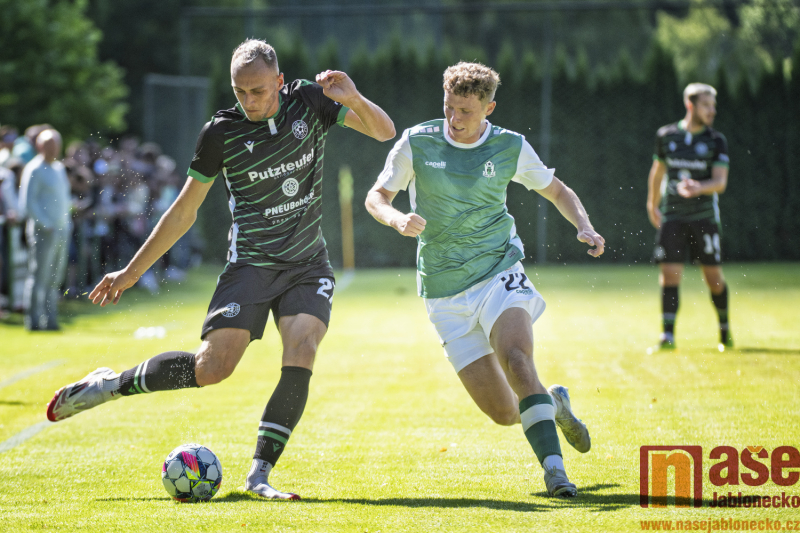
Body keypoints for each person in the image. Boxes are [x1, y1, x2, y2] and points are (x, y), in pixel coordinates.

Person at [46, 39, 395, 499]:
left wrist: (353, 98)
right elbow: (184, 210)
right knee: (211, 369)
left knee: (303, 348)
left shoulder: (311, 101)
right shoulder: (221, 133)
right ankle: (110, 385)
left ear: (280, 81)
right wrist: (131, 272)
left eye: (259, 91)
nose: (249, 100)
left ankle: (259, 475)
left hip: (307, 263)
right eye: (240, 92)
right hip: (250, 264)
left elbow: (384, 132)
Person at [365, 62, 604, 498]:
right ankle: (553, 403)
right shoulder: (417, 141)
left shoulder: (510, 146)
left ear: (488, 108)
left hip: (499, 271)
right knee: (504, 413)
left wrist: (583, 226)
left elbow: (557, 190)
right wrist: (396, 218)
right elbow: (377, 196)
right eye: (449, 107)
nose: (454, 119)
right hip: (443, 290)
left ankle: (556, 473)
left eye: (466, 111)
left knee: (517, 360)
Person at [646, 83, 731, 351]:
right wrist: (652, 204)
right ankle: (667, 336)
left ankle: (725, 330)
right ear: (690, 105)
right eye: (706, 105)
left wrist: (698, 187)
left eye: (713, 106)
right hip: (672, 216)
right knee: (669, 275)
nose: (712, 111)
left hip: (704, 218)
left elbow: (720, 182)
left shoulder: (716, 140)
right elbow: (658, 171)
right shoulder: (666, 135)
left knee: (713, 278)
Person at [19, 129, 72, 330]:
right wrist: (45, 224)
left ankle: (50, 320)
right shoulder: (34, 169)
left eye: (56, 145)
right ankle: (33, 320)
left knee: (55, 278)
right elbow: (28, 202)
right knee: (39, 276)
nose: (54, 149)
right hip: (44, 232)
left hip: (61, 230)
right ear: (40, 146)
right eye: (50, 145)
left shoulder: (59, 168)